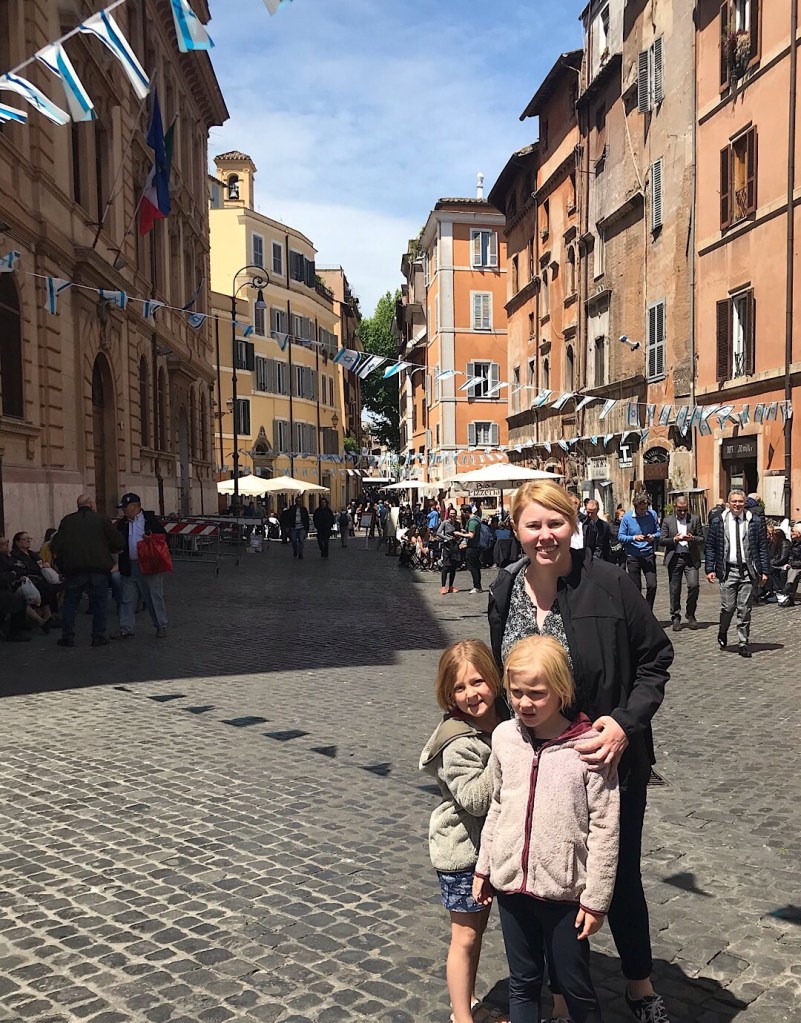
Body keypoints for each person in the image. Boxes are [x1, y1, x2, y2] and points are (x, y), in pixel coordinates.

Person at [487, 480, 673, 1023]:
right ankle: (564, 993)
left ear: (573, 524)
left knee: (621, 876)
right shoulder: (505, 590)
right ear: (516, 529)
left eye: (556, 523)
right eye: (533, 525)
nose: (545, 535)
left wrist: (624, 724)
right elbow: (505, 678)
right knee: (545, 882)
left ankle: (639, 986)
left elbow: (656, 658)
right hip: (537, 768)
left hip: (605, 759)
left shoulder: (610, 583)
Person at [473, 634, 619, 1023]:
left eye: (537, 693)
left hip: (564, 892)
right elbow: (498, 804)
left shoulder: (590, 748)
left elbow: (605, 827)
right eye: (516, 692)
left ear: (561, 690)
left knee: (574, 984)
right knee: (523, 983)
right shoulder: (505, 737)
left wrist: (596, 899)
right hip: (511, 885)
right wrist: (485, 867)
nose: (525, 703)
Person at [419, 640, 506, 1023]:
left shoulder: (503, 717)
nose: (471, 694)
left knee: (478, 931)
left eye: (478, 682)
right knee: (465, 936)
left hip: (491, 849)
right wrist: (505, 749)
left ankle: (469, 1002)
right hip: (461, 852)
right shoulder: (457, 741)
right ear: (448, 693)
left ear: (494, 680)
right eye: (459, 687)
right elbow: (474, 800)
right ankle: (461, 1017)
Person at [50, 494, 125, 647]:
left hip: (74, 569)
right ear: (91, 504)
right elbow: (118, 541)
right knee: (99, 603)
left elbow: (56, 545)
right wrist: (111, 550)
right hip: (98, 568)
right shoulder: (102, 519)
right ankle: (98, 635)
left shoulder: (67, 521)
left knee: (70, 603)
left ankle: (67, 636)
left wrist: (62, 565)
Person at [704, 489, 769, 658]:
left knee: (744, 609)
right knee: (728, 607)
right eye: (734, 501)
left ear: (744, 503)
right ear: (728, 503)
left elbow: (762, 547)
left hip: (748, 570)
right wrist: (710, 568)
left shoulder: (753, 521)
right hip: (728, 570)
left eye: (740, 501)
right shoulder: (719, 521)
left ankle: (743, 642)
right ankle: (723, 630)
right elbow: (710, 546)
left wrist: (764, 570)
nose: (737, 505)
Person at [115, 493, 169, 639]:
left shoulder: (149, 520)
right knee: (126, 598)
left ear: (135, 506)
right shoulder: (123, 523)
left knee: (153, 596)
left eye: (125, 507)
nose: (123, 510)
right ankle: (126, 628)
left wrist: (152, 539)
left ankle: (160, 625)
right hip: (128, 564)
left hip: (149, 565)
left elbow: (164, 538)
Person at [659, 497, 703, 632]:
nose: (683, 513)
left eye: (685, 510)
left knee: (694, 585)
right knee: (675, 588)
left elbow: (702, 538)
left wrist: (692, 538)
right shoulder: (668, 521)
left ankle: (690, 613)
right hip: (675, 558)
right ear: (675, 508)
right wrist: (674, 539)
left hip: (690, 558)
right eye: (680, 510)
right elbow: (661, 540)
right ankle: (675, 616)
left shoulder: (695, 519)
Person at [618, 493, 660, 609]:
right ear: (635, 507)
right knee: (636, 587)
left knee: (652, 585)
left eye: (645, 509)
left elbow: (658, 532)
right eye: (641, 509)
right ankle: (639, 610)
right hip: (633, 556)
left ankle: (648, 609)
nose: (643, 511)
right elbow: (620, 536)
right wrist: (634, 538)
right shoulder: (627, 518)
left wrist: (653, 536)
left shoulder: (652, 515)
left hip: (648, 554)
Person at [10, 531, 59, 626]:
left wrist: (44, 565)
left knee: (52, 585)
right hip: (26, 580)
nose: (28, 540)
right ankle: (47, 616)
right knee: (44, 587)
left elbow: (40, 562)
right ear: (17, 542)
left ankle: (50, 615)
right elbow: (23, 569)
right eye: (25, 539)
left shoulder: (32, 553)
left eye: (29, 538)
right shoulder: (15, 555)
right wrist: (39, 567)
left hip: (37, 578)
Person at [0, 537, 30, 641]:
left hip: (6, 587)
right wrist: (12, 574)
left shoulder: (6, 557)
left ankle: (19, 626)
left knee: (21, 593)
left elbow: (19, 568)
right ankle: (13, 632)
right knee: (16, 598)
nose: (7, 546)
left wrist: (14, 573)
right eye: (4, 544)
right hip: (3, 589)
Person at [437, 508, 466, 594]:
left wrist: (460, 538)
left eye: (454, 513)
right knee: (445, 567)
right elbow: (438, 533)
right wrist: (447, 538)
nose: (452, 515)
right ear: (449, 514)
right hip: (447, 546)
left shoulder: (457, 524)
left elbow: (459, 533)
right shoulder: (445, 523)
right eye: (451, 513)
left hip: (455, 546)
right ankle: (443, 586)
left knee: (453, 567)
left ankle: (451, 586)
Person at [777, 523, 801, 607]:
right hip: (795, 565)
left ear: (799, 533)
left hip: (797, 566)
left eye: (793, 531)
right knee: (785, 570)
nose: (791, 533)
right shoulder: (794, 543)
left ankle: (787, 593)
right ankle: (787, 593)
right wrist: (789, 563)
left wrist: (792, 564)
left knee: (793, 571)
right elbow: (791, 556)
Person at [464, 506, 483, 594]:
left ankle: (477, 586)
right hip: (476, 547)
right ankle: (478, 586)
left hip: (472, 547)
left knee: (473, 568)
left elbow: (471, 535)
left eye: (463, 513)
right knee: (476, 567)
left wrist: (459, 534)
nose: (463, 515)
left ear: (467, 512)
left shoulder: (472, 521)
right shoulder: (477, 519)